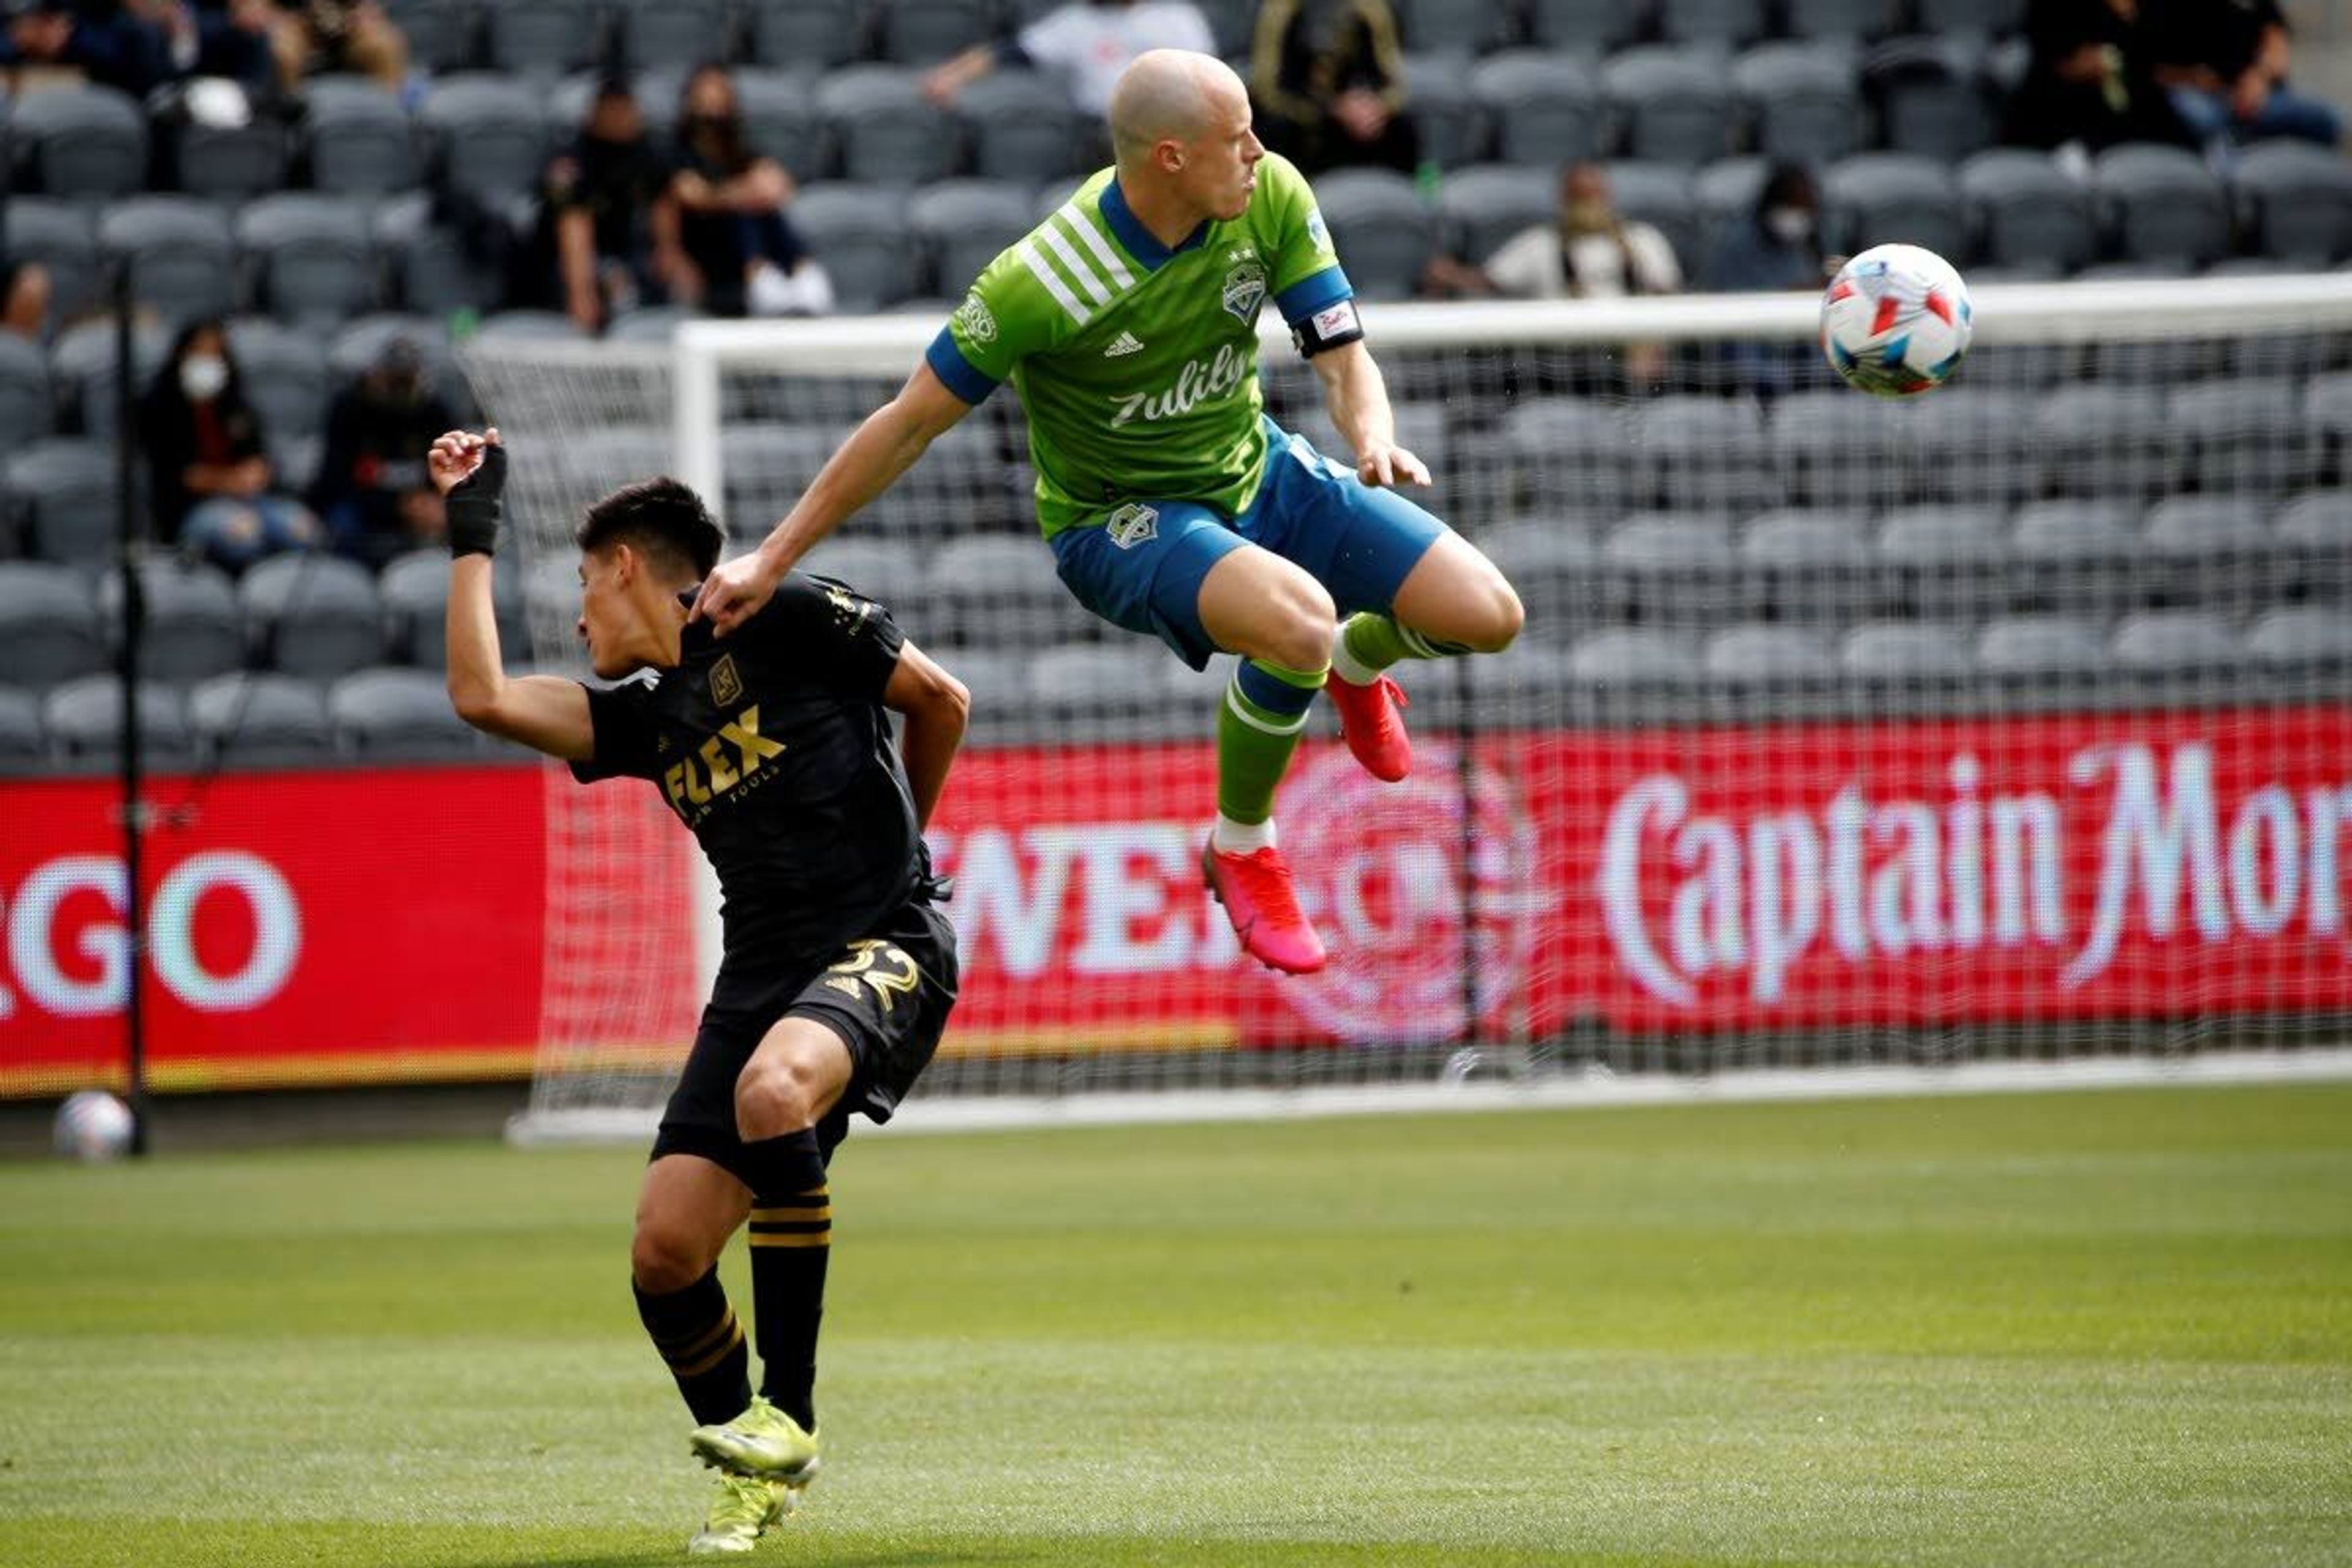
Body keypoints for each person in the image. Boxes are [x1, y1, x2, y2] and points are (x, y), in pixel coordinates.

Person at [691, 49, 1523, 976]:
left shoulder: (1272, 196)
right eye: (1234, 137)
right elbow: (905, 424)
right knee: (1296, 620)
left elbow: (1341, 356)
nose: (1258, 150)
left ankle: (1357, 660)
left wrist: (1371, 435)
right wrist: (769, 558)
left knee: (1487, 614)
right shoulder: (1042, 279)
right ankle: (1243, 845)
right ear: (1169, 157)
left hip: (1265, 472)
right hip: (1123, 522)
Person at [429, 427, 968, 1556]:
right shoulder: (641, 720)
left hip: (883, 940)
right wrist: (469, 525)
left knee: (776, 1095)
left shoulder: (781, 611)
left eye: (584, 583)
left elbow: (942, 701)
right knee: (665, 1257)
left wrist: (902, 861)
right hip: (761, 975)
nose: (579, 618)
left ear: (628, 566)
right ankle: (750, 1469)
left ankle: (790, 1415)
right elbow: (480, 696)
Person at [140, 318, 320, 569]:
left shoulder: (236, 405)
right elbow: (181, 475)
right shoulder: (160, 409)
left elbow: (260, 458)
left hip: (251, 500)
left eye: (216, 353)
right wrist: (230, 482)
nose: (208, 361)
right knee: (241, 535)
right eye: (200, 352)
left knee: (302, 529)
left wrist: (257, 472)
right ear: (181, 355)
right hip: (193, 506)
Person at [668, 64, 831, 319]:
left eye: (720, 92)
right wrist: (740, 193)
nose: (714, 101)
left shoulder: (739, 149)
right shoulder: (678, 152)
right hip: (707, 244)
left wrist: (747, 191)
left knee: (763, 211)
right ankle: (763, 279)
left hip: (751, 236)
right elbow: (693, 195)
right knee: (743, 211)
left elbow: (779, 186)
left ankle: (801, 275)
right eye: (707, 93)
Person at [537, 77, 688, 333]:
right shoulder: (572, 160)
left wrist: (670, 251)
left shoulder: (645, 152)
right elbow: (573, 222)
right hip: (558, 257)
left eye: (626, 110)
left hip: (623, 248)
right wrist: (581, 291)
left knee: (672, 281)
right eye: (612, 110)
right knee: (616, 282)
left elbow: (662, 198)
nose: (620, 118)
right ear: (595, 113)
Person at [922, 0, 1215, 127]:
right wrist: (950, 77)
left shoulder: (1178, 17)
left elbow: (1208, 77)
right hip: (1105, 131)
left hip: (1175, 124)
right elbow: (1007, 53)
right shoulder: (1075, 23)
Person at [310, 336, 461, 564]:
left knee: (459, 518)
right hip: (361, 502)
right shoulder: (349, 409)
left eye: (406, 381)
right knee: (342, 523)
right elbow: (335, 479)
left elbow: (451, 471)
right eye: (393, 380)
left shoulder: (434, 413)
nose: (398, 390)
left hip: (418, 504)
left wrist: (435, 499)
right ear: (376, 374)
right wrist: (397, 505)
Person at [2146, 0, 2341, 157]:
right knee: (2203, 119)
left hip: (2256, 96)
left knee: (2324, 119)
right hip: (2196, 95)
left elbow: (2276, 42)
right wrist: (2195, 79)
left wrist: (2259, 79)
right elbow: (2152, 68)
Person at [1248, 0, 1416, 178]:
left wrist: (1376, 108)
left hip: (1359, 113)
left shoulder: (1371, 9)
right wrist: (1333, 109)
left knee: (1404, 128)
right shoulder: (1279, 10)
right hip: (1301, 113)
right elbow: (1267, 90)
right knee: (1275, 128)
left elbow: (1394, 84)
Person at [2005, 0, 2194, 157]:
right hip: (2062, 112)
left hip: (2132, 109)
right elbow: (2056, 56)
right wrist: (2088, 63)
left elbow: (2155, 64)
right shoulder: (2051, 9)